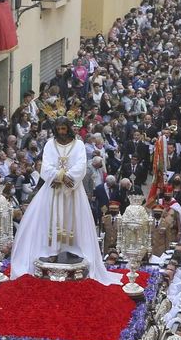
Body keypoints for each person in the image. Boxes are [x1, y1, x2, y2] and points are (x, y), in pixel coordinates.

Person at [8, 118, 121, 285]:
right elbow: (46, 166)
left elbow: (81, 165)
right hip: (52, 190)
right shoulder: (49, 144)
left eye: (64, 129)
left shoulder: (78, 145)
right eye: (58, 129)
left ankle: (72, 248)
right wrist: (59, 176)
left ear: (69, 129)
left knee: (73, 217)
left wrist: (68, 178)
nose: (61, 132)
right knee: (49, 219)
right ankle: (52, 249)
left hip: (73, 191)